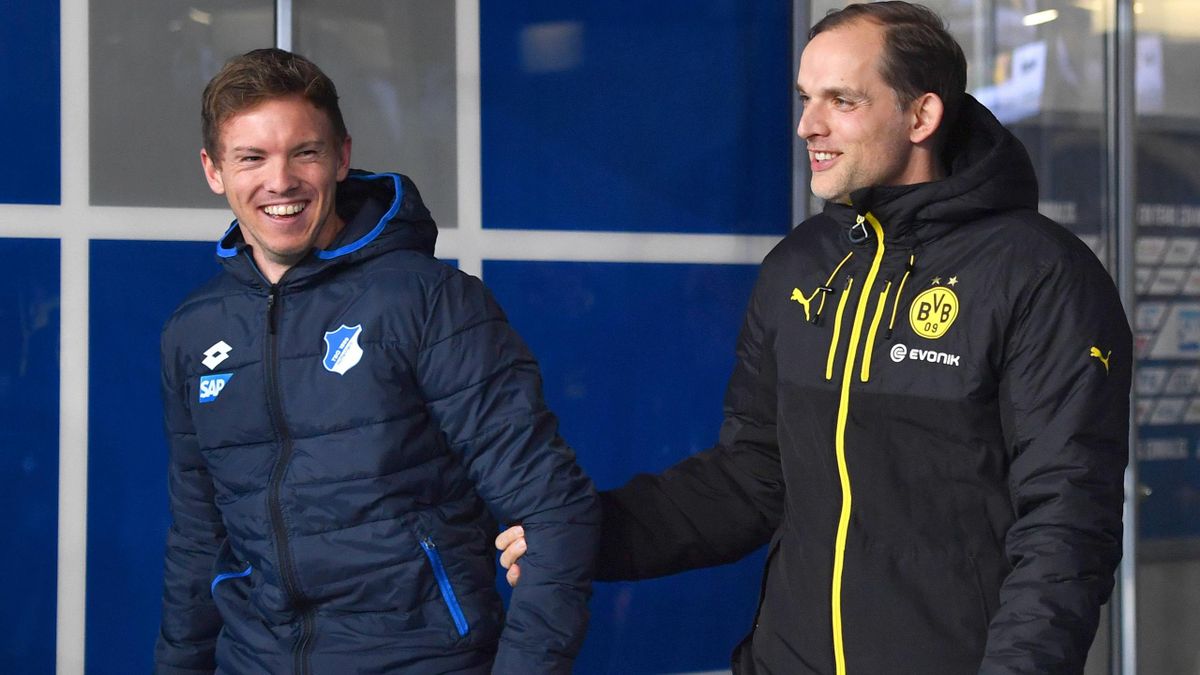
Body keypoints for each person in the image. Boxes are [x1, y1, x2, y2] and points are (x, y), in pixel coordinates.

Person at [497, 3, 1131, 673]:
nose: (808, 125)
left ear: (921, 116)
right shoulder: (801, 265)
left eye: (842, 101)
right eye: (806, 98)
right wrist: (578, 535)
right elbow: (750, 478)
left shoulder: (1038, 275)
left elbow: (1064, 526)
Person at [155, 48, 599, 674]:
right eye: (251, 157)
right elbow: (199, 543)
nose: (279, 181)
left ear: (340, 156)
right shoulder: (193, 332)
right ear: (213, 170)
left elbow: (555, 511)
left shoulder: (429, 300)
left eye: (303, 152)